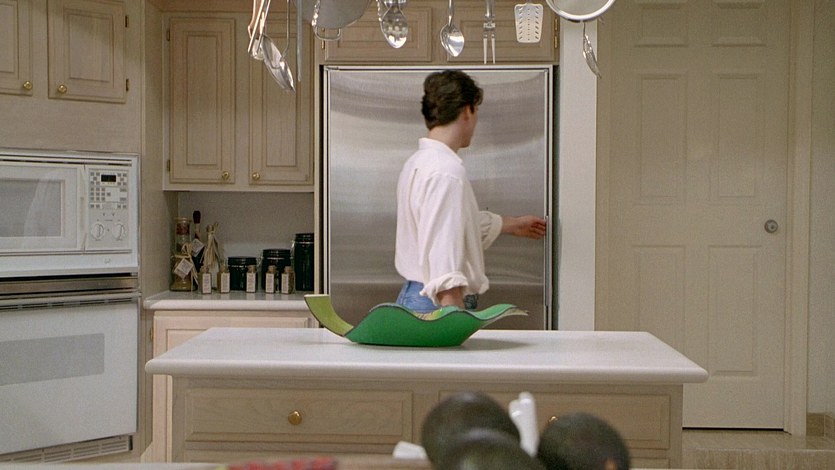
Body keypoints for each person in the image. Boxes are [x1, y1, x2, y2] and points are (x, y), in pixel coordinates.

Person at [394, 70, 547, 313]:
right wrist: (454, 317)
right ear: (468, 111)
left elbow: (450, 226)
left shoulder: (419, 162)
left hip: (417, 295)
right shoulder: (446, 172)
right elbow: (443, 253)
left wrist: (512, 225)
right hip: (438, 302)